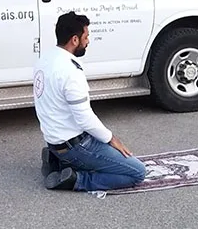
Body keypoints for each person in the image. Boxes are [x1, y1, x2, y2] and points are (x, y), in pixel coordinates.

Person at [32, 11, 147, 191]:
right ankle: (77, 179)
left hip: (54, 140)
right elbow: (85, 119)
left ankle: (57, 160)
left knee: (99, 148)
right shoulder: (71, 72)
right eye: (86, 36)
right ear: (74, 40)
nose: (88, 41)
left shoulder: (44, 59)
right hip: (75, 146)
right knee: (137, 172)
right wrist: (112, 139)